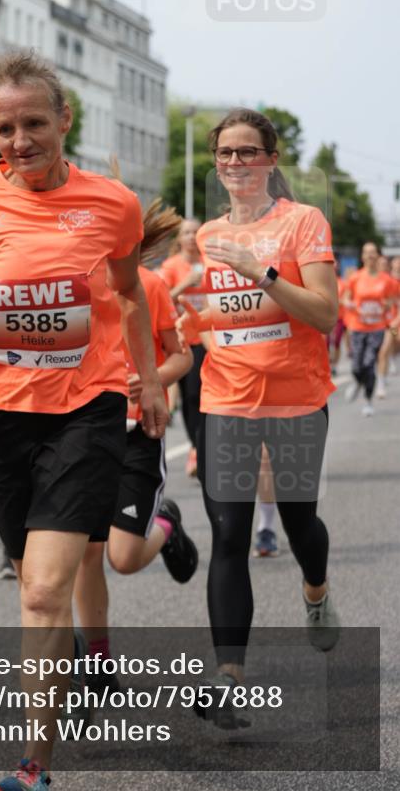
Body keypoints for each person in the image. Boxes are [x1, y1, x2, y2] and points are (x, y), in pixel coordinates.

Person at [0, 51, 167, 791]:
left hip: (84, 412)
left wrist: (147, 382)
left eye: (32, 123)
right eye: (3, 128)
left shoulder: (111, 204)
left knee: (41, 591)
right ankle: (57, 710)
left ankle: (34, 762)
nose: (19, 140)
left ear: (64, 119)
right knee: (34, 580)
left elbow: (127, 296)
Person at [177, 108, 340, 727]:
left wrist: (263, 273)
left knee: (300, 527)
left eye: (249, 152)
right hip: (226, 401)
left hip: (297, 400)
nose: (236, 163)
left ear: (272, 160)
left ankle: (317, 592)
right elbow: (229, 319)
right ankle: (228, 677)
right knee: (228, 536)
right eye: (226, 154)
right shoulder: (209, 234)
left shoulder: (303, 222)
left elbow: (324, 315)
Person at [73, 198, 196, 675]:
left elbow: (180, 358)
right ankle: (100, 664)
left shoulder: (151, 285)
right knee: (86, 553)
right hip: (82, 434)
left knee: (121, 560)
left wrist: (151, 381)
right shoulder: (71, 286)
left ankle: (165, 524)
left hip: (136, 435)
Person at [157, 218, 208, 477]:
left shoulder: (211, 263)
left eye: (195, 232)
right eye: (186, 232)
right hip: (182, 339)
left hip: (210, 338)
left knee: (207, 396)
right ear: (179, 238)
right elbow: (162, 298)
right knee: (191, 397)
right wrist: (188, 282)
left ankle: (203, 448)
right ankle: (197, 447)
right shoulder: (171, 266)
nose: (191, 236)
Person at [342, 242, 396, 416]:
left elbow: (395, 301)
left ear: (378, 256)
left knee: (368, 363)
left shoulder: (387, 281)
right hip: (358, 327)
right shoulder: (355, 278)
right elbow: (345, 299)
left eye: (373, 253)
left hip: (377, 328)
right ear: (363, 256)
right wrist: (352, 305)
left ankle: (368, 401)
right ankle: (357, 382)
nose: (370, 256)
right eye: (367, 253)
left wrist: (388, 309)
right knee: (357, 366)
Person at [375, 254, 400, 397]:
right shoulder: (375, 281)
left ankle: (393, 357)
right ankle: (381, 383)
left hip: (393, 322)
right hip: (381, 323)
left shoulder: (393, 283)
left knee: (396, 342)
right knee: (383, 351)